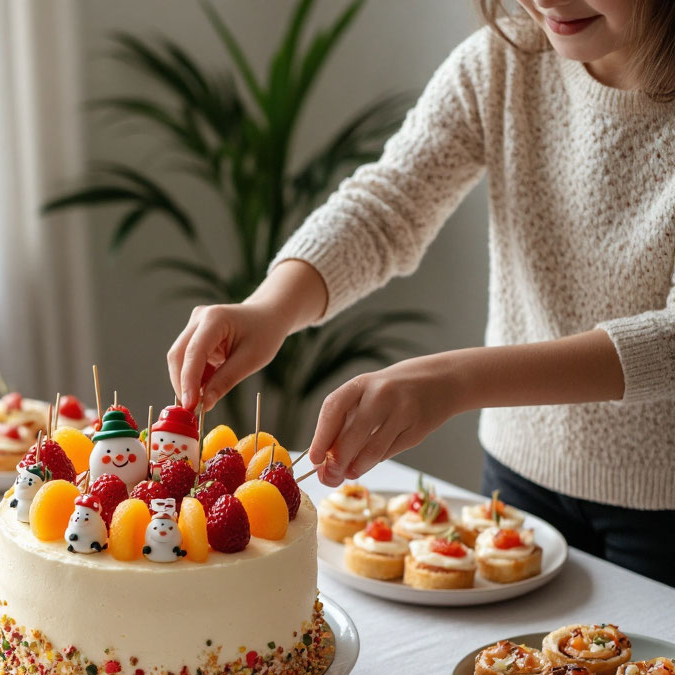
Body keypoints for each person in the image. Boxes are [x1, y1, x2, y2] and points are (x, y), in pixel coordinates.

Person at [166, 1, 675, 585]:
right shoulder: (506, 58)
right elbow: (388, 204)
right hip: (518, 479)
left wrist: (456, 381)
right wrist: (270, 307)